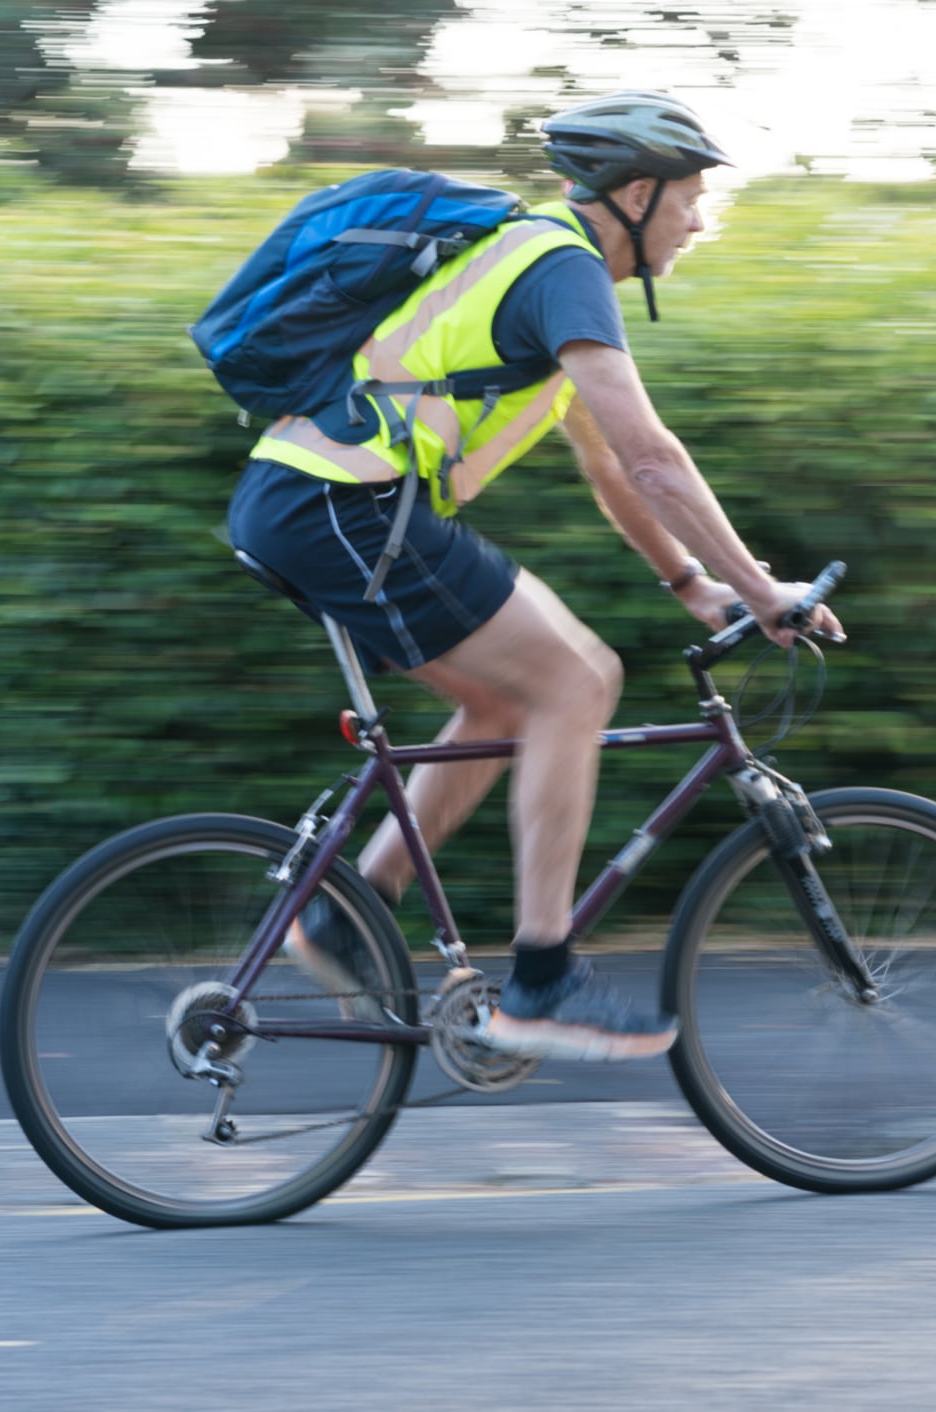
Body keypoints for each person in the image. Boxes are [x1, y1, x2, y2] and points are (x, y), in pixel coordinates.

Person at [225, 91, 842, 1061]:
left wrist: (696, 583)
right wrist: (764, 591)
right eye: (689, 199)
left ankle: (349, 915)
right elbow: (653, 457)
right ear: (635, 194)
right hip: (343, 504)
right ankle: (543, 978)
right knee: (575, 679)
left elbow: (608, 465)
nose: (699, 220)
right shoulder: (563, 267)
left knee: (511, 704)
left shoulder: (538, 262)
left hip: (326, 505)